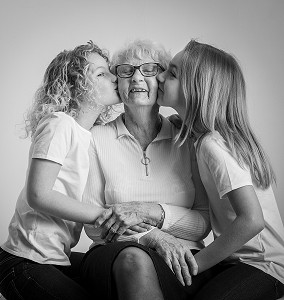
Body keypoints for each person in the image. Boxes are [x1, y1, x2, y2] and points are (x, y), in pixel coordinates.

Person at [81, 39, 211, 300]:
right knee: (134, 259)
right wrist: (151, 236)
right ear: (118, 81)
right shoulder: (95, 137)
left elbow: (203, 222)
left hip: (184, 256)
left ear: (162, 81)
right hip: (116, 255)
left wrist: (155, 213)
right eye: (127, 70)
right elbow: (93, 226)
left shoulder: (189, 139)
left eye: (149, 70)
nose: (137, 77)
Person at [157, 39, 284, 300]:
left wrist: (196, 265)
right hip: (237, 263)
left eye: (172, 73)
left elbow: (252, 220)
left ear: (196, 90)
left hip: (264, 266)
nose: (159, 76)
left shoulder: (212, 145)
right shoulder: (209, 138)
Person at [0, 41, 121, 300]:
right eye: (101, 74)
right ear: (75, 87)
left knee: (110, 272)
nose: (114, 77)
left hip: (54, 258)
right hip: (25, 261)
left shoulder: (90, 136)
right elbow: (39, 195)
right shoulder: (60, 124)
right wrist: (105, 216)